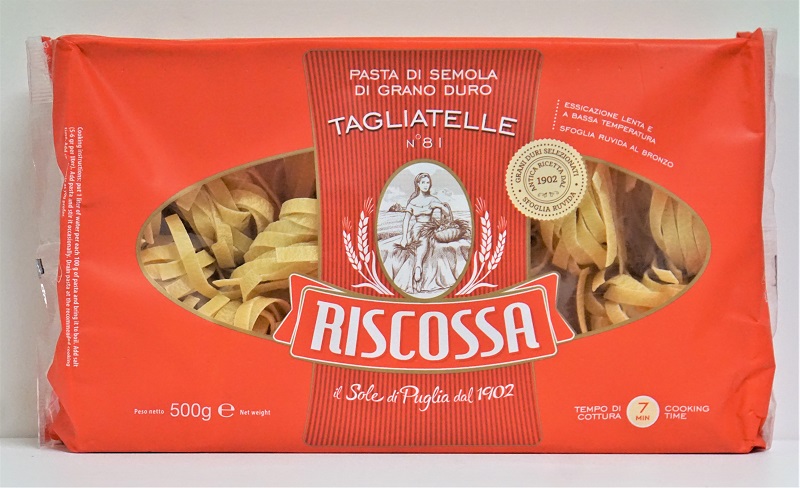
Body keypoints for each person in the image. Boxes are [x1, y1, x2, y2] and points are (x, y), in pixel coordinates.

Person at [399, 173, 448, 292]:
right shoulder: (412, 202)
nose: (426, 185)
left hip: (430, 226)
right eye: (423, 183)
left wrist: (441, 207)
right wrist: (404, 238)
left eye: (428, 182)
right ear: (418, 184)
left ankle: (418, 265)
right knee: (420, 235)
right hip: (417, 228)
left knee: (425, 236)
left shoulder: (433, 199)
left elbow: (447, 213)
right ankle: (418, 266)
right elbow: (406, 220)